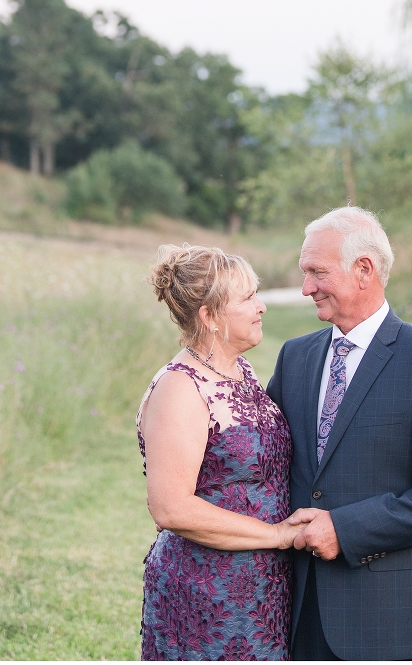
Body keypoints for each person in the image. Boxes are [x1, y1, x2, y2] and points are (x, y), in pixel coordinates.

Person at [267, 206, 412, 662]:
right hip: (303, 616)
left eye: (316, 272)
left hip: (398, 620)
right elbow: (268, 462)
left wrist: (344, 530)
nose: (306, 287)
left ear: (363, 270)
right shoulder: (295, 358)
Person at [138, 243, 305, 661]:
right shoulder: (181, 388)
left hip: (262, 585)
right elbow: (170, 508)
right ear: (209, 317)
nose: (261, 307)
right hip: (207, 589)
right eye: (247, 298)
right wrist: (278, 535)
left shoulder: (239, 371)